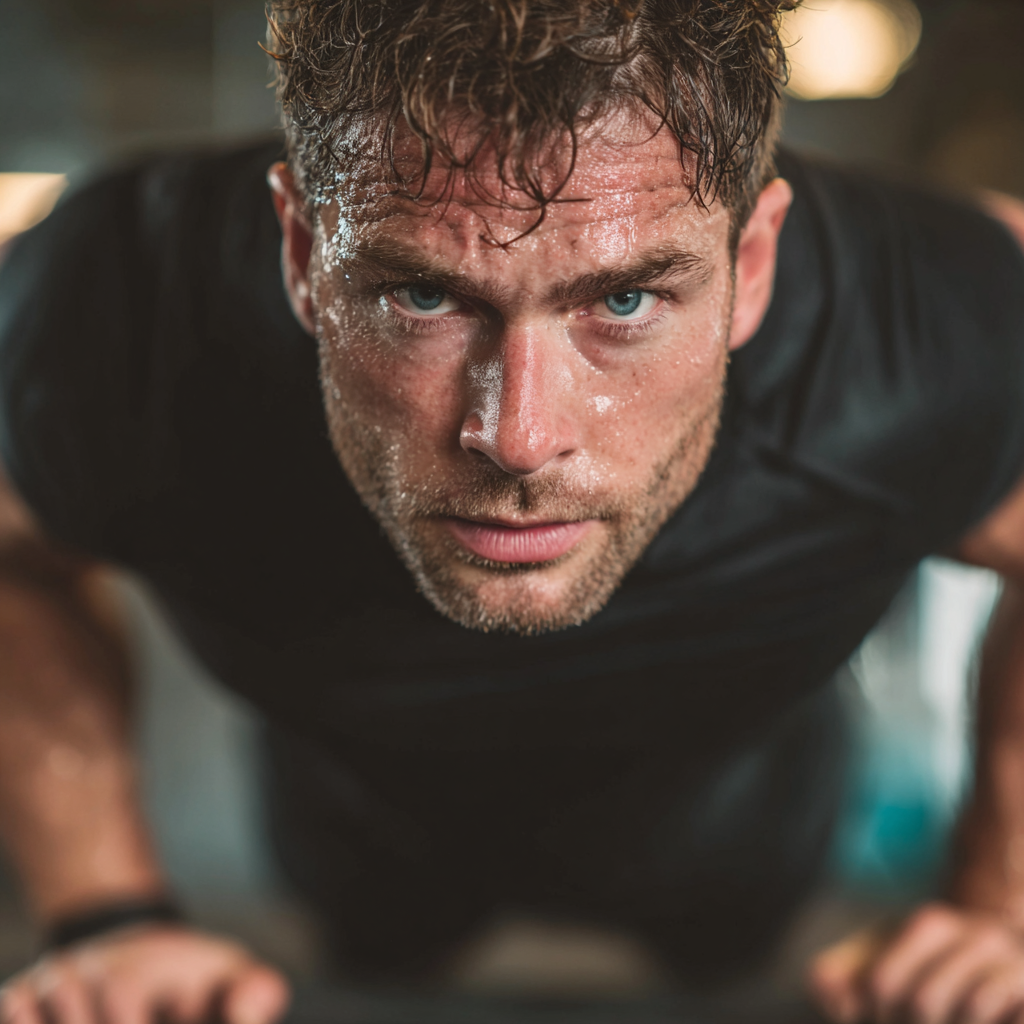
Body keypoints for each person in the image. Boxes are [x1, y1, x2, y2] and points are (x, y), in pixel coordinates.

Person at [2, 2, 1024, 1022]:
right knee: (380, 963)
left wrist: (994, 909)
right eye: (424, 298)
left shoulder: (924, 324)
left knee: (725, 962)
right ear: (304, 247)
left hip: (734, 824)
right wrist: (109, 914)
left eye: (623, 302)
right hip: (357, 825)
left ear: (751, 266)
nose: (519, 435)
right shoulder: (116, 305)